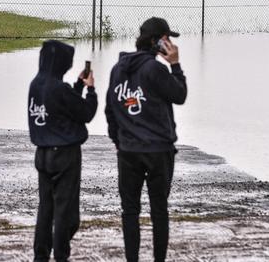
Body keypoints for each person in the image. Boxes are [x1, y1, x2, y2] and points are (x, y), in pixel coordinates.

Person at [105, 17, 187, 262]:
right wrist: (176, 65)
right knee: (159, 210)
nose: (170, 43)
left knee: (130, 211)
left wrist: (119, 141)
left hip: (128, 150)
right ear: (155, 41)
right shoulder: (155, 68)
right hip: (158, 150)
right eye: (166, 38)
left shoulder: (118, 69)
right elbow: (180, 95)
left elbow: (110, 110)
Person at [28, 40, 97, 262]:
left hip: (43, 153)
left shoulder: (36, 85)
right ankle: (61, 256)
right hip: (65, 155)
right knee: (65, 212)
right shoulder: (59, 88)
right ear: (61, 64)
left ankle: (41, 256)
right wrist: (91, 90)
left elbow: (60, 106)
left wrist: (77, 86)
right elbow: (85, 112)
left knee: (45, 210)